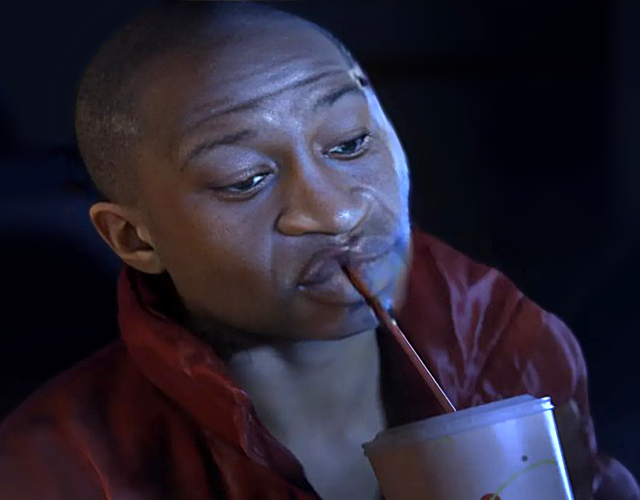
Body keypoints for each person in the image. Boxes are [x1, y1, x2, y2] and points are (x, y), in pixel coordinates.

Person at [0, 2, 637, 499]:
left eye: (350, 143)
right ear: (135, 239)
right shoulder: (59, 469)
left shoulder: (514, 358)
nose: (336, 212)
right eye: (246, 180)